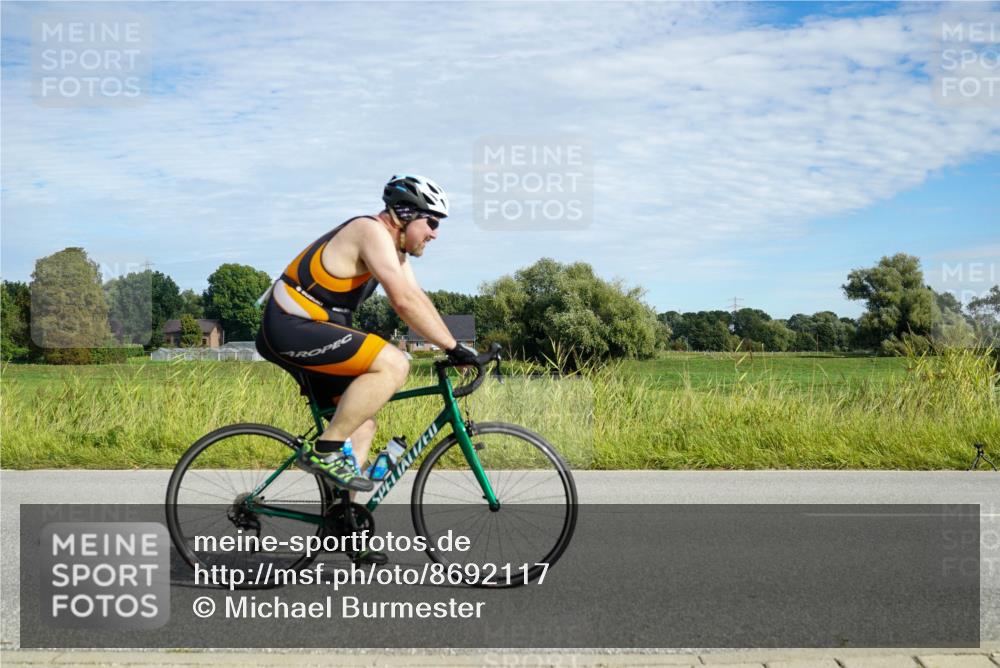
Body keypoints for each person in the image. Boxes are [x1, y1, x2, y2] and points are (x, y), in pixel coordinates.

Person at [255, 175, 478, 496]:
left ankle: (344, 517)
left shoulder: (395, 252)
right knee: (395, 363)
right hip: (290, 325)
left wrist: (455, 347)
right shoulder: (369, 231)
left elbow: (416, 296)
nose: (435, 233)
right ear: (406, 215)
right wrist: (453, 348)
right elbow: (402, 302)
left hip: (310, 329)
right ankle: (324, 451)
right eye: (431, 222)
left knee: (361, 428)